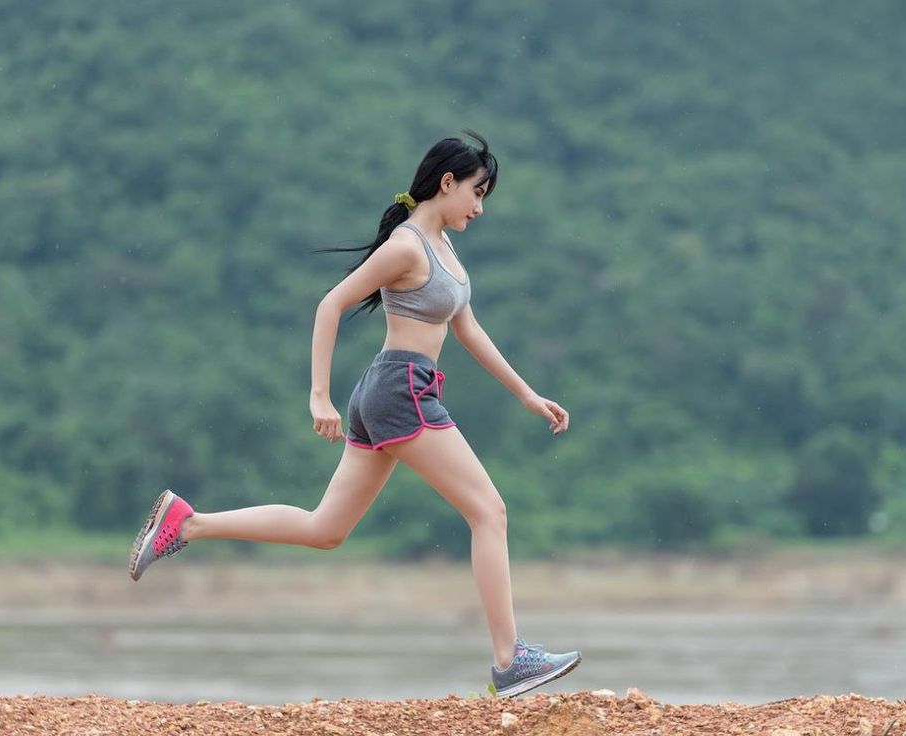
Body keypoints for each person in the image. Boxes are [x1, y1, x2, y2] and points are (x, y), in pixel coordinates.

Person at [128, 131, 581, 698]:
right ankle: (510, 660)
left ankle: (189, 523)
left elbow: (467, 327)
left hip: (389, 391)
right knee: (490, 511)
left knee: (326, 530)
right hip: (401, 392)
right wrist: (318, 396)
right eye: (477, 192)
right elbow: (331, 304)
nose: (480, 207)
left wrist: (526, 394)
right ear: (448, 183)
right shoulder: (407, 246)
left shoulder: (443, 246)